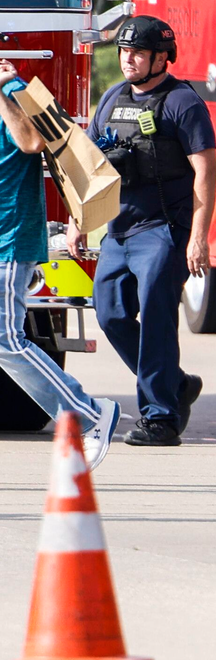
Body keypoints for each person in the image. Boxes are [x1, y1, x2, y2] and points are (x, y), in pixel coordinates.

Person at [86, 15, 216, 447]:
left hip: (163, 228)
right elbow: (88, 166)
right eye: (124, 52)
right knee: (110, 315)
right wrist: (77, 221)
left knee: (158, 319)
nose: (128, 60)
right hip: (118, 230)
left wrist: (198, 236)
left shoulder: (182, 102)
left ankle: (160, 418)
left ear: (162, 57)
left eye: (138, 53)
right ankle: (176, 384)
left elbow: (206, 170)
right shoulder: (110, 99)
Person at [0, 58, 117, 467]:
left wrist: (2, 91)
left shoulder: (12, 93)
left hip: (9, 239)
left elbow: (33, 143)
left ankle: (88, 413)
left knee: (6, 340)